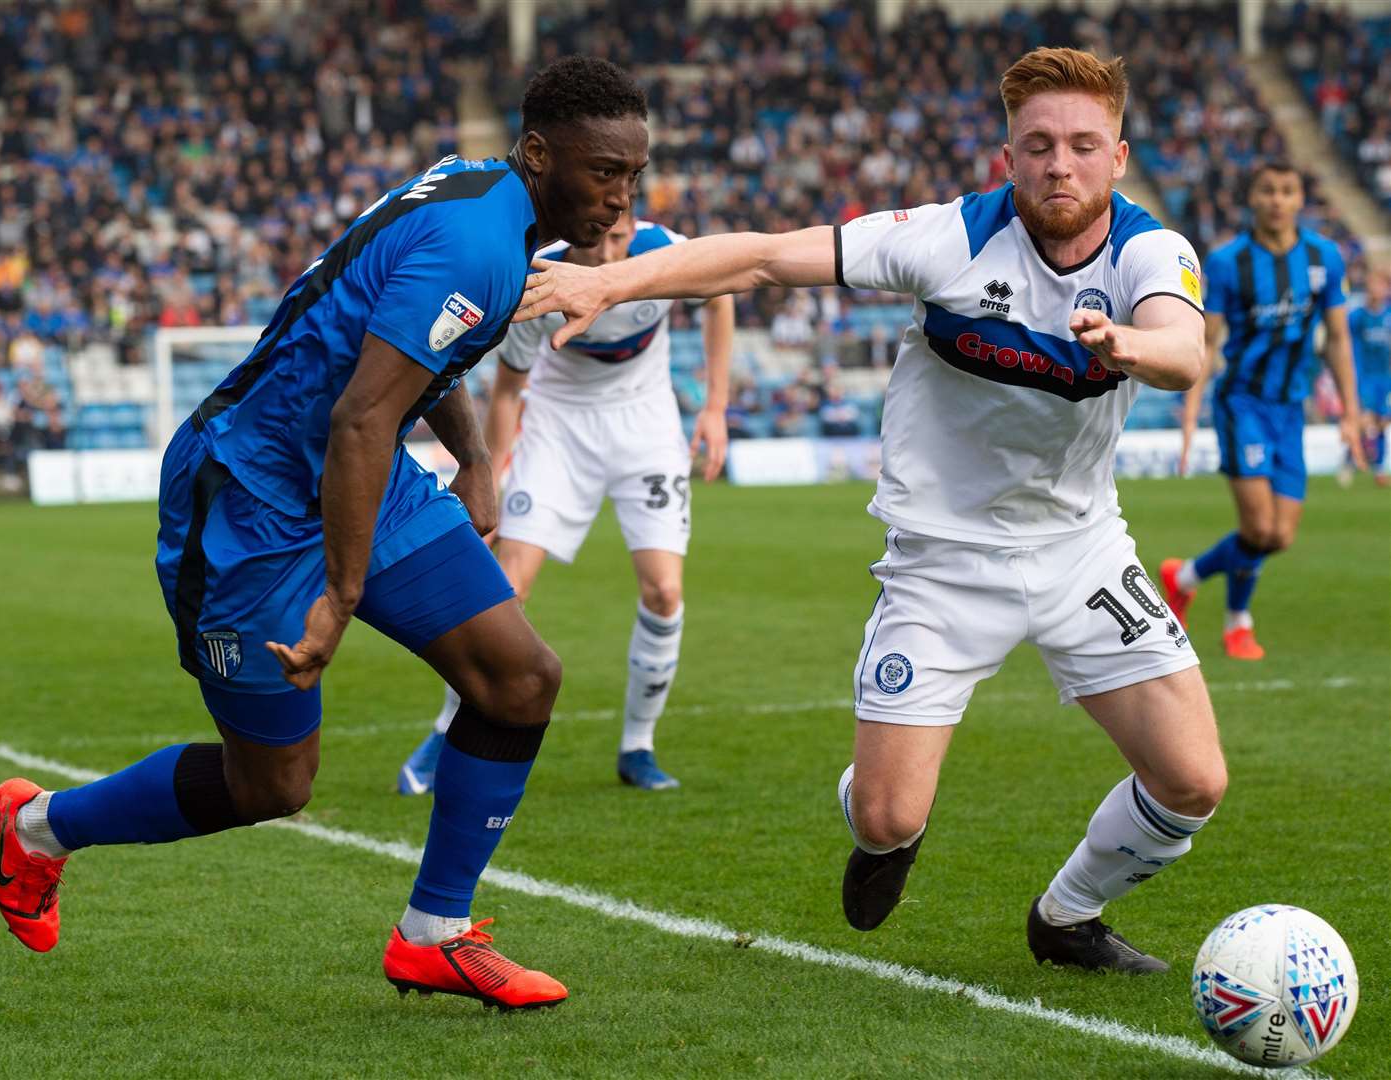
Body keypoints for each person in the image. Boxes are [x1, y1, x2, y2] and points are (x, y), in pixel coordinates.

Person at [518, 47, 1225, 973]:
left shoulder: (1151, 252)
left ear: (1119, 158)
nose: (1062, 164)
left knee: (1192, 782)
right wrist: (608, 281)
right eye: (1039, 144)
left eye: (1084, 145)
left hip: (1081, 551)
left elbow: (1186, 353)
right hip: (941, 562)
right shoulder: (945, 240)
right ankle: (886, 824)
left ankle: (1066, 916)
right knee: (889, 816)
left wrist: (1128, 339)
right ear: (1008, 155)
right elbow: (768, 260)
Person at [0, 56, 651, 1012]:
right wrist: (339, 598)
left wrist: (471, 457)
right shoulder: (483, 244)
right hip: (253, 499)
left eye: (634, 175)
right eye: (604, 173)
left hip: (357, 476)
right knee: (274, 786)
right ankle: (40, 829)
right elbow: (362, 418)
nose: (620, 198)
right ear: (541, 153)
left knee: (519, 679)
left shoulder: (493, 206)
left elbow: (415, 360)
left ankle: (436, 935)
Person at [397, 210, 732, 795]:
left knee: (665, 590)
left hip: (646, 424)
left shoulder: (662, 249)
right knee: (507, 588)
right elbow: (507, 392)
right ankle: (446, 731)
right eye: (601, 237)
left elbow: (720, 295)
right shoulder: (539, 281)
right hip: (558, 426)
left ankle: (638, 746)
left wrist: (715, 406)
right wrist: (490, 477)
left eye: (622, 236)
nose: (611, 250)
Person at [1162, 163, 1364, 661]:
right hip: (1242, 403)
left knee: (1280, 535)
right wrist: (1191, 413)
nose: (1277, 199)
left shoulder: (1324, 257)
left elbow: (1338, 338)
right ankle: (1238, 623)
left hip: (1291, 407)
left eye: (1287, 191)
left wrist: (1351, 414)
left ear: (1301, 200)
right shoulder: (1230, 262)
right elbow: (1208, 344)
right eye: (1267, 190)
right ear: (1252, 198)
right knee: (1257, 528)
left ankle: (1185, 577)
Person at [1344, 268, 1391, 486]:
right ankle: (1350, 458)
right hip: (1364, 376)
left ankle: (1379, 468)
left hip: (1386, 376)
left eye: (1381, 285)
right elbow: (1347, 346)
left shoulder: (1388, 315)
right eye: (1372, 285)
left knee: (1383, 421)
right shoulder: (1357, 317)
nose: (1376, 290)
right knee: (1366, 420)